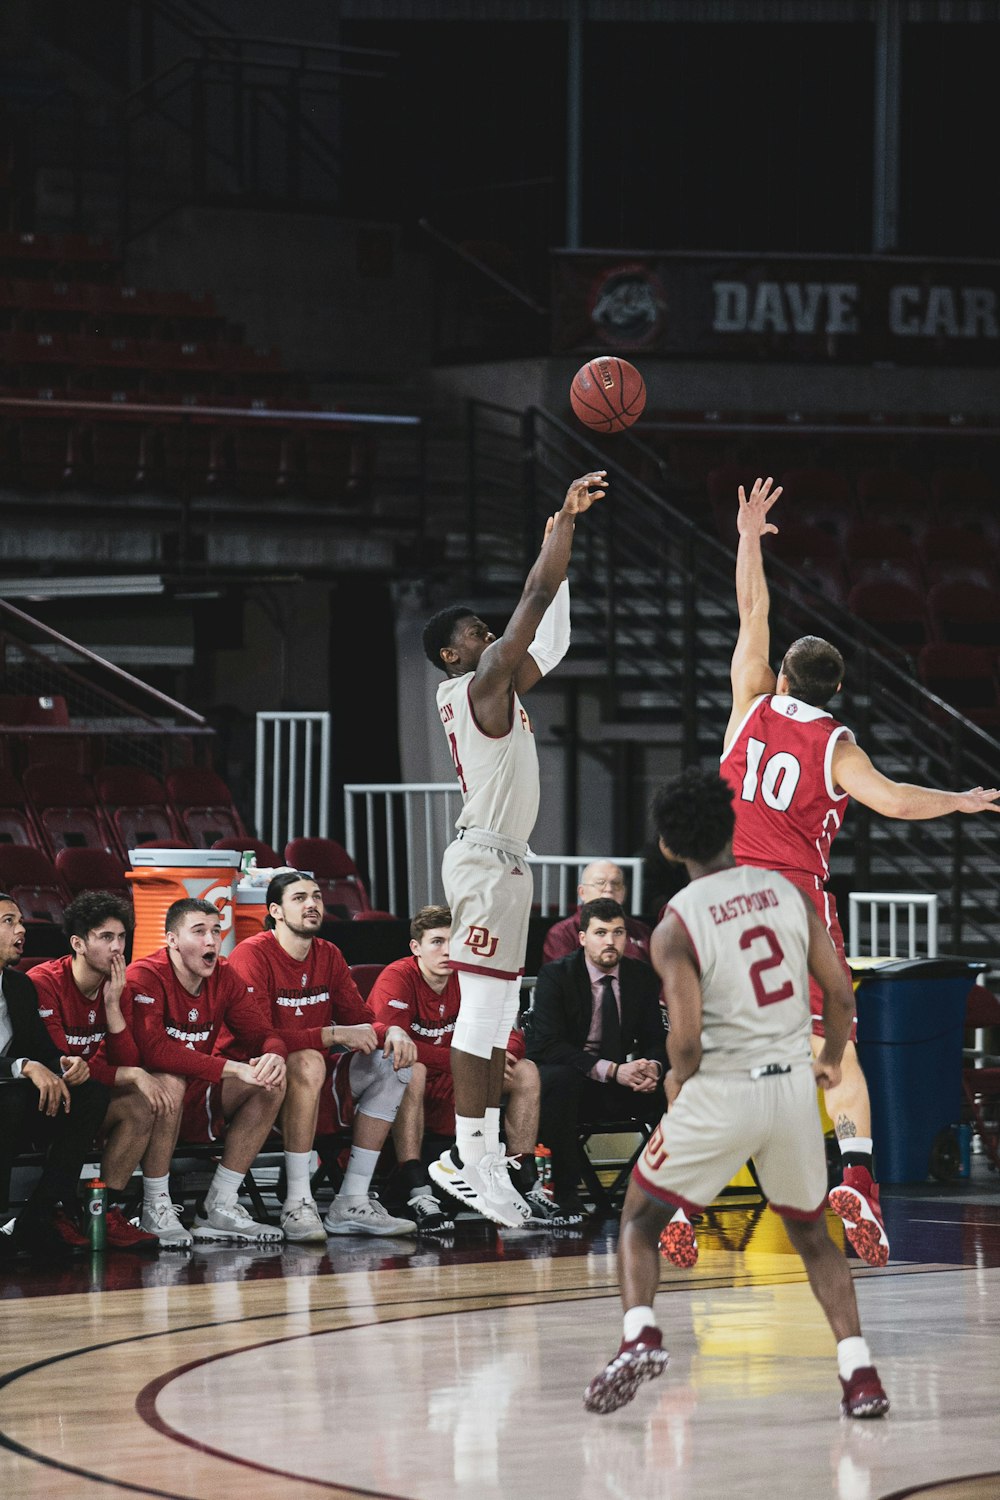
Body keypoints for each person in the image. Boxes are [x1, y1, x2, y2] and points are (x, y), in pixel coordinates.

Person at [720, 474, 1000, 1268]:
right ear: (836, 690)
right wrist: (961, 798)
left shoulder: (750, 706)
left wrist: (748, 538)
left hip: (726, 897)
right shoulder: (838, 745)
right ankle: (859, 1178)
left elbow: (752, 614)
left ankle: (678, 1180)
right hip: (796, 898)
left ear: (780, 680)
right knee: (834, 1052)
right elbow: (896, 804)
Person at [584, 769, 890, 1421]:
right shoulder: (786, 893)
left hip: (724, 1089)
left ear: (668, 847)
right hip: (788, 1092)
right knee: (813, 1237)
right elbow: (838, 994)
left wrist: (677, 1084)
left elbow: (688, 1042)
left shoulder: (674, 925)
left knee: (638, 1220)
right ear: (731, 827)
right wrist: (831, 1060)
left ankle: (640, 1333)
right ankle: (859, 1373)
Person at [422, 469, 607, 1228]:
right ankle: (470, 1157)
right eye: (473, 632)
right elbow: (531, 606)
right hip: (486, 859)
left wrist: (555, 546)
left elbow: (549, 633)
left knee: (497, 1019)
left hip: (504, 861)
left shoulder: (501, 684)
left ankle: (478, 1155)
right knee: (485, 1013)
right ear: (451, 658)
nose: (487, 634)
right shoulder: (477, 687)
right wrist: (561, 522)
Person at [226, 871, 417, 1241]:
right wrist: (330, 1034)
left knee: (396, 1063)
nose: (312, 904)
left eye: (316, 896)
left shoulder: (328, 954)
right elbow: (257, 1039)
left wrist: (390, 1030)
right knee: (310, 1059)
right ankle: (298, 1203)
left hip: (313, 1083)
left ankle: (352, 1199)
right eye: (299, 898)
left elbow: (360, 1021)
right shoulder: (251, 954)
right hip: (256, 1082)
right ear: (275, 911)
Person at [367, 904, 566, 1231]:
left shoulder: (471, 977)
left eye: (454, 941)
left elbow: (512, 1035)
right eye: (437, 942)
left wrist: (493, 1060)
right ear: (416, 948)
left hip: (460, 1080)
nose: (447, 951)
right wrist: (470, 1065)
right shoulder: (397, 977)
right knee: (410, 1070)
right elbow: (396, 1047)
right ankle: (418, 1190)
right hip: (412, 1083)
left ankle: (525, 1184)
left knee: (526, 1071)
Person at [126, 898, 288, 1247]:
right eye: (199, 932)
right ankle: (155, 1204)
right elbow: (154, 1051)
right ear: (171, 939)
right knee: (169, 1081)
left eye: (216, 931)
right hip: (138, 1105)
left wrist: (273, 1056)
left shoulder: (225, 976)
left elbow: (263, 1034)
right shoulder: (144, 975)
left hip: (197, 1096)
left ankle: (220, 1204)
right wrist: (232, 1068)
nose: (211, 941)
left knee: (270, 1082)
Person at [31, 891, 179, 1253]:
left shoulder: (118, 985)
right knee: (127, 1086)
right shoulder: (44, 983)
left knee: (139, 1106)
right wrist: (131, 1075)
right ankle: (54, 1212)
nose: (118, 948)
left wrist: (112, 1004)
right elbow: (61, 1062)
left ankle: (103, 1212)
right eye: (106, 937)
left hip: (89, 1098)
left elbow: (124, 1057)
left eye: (122, 937)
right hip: (42, 1101)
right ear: (78, 944)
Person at [525, 897, 667, 1221]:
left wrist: (652, 1068)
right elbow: (547, 1045)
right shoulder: (555, 975)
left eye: (618, 933)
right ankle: (564, 1193)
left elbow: (656, 1040)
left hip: (620, 1083)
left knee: (674, 1083)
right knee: (558, 1079)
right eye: (601, 933)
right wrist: (612, 1070)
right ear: (582, 937)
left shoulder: (641, 976)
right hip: (574, 1079)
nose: (610, 941)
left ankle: (665, 1192)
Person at [0, 894, 111, 1260]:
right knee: (12, 1096)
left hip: (14, 1103)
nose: (21, 930)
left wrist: (66, 1063)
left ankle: (37, 1215)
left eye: (20, 921)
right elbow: (27, 1061)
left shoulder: (17, 986)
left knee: (91, 1093)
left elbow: (41, 1049)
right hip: (8, 1098)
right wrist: (22, 1066)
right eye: (8, 922)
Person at [541, 861, 652, 965]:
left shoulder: (641, 931)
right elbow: (561, 978)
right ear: (582, 892)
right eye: (600, 883)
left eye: (615, 883)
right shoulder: (562, 933)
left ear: (623, 892)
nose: (609, 889)